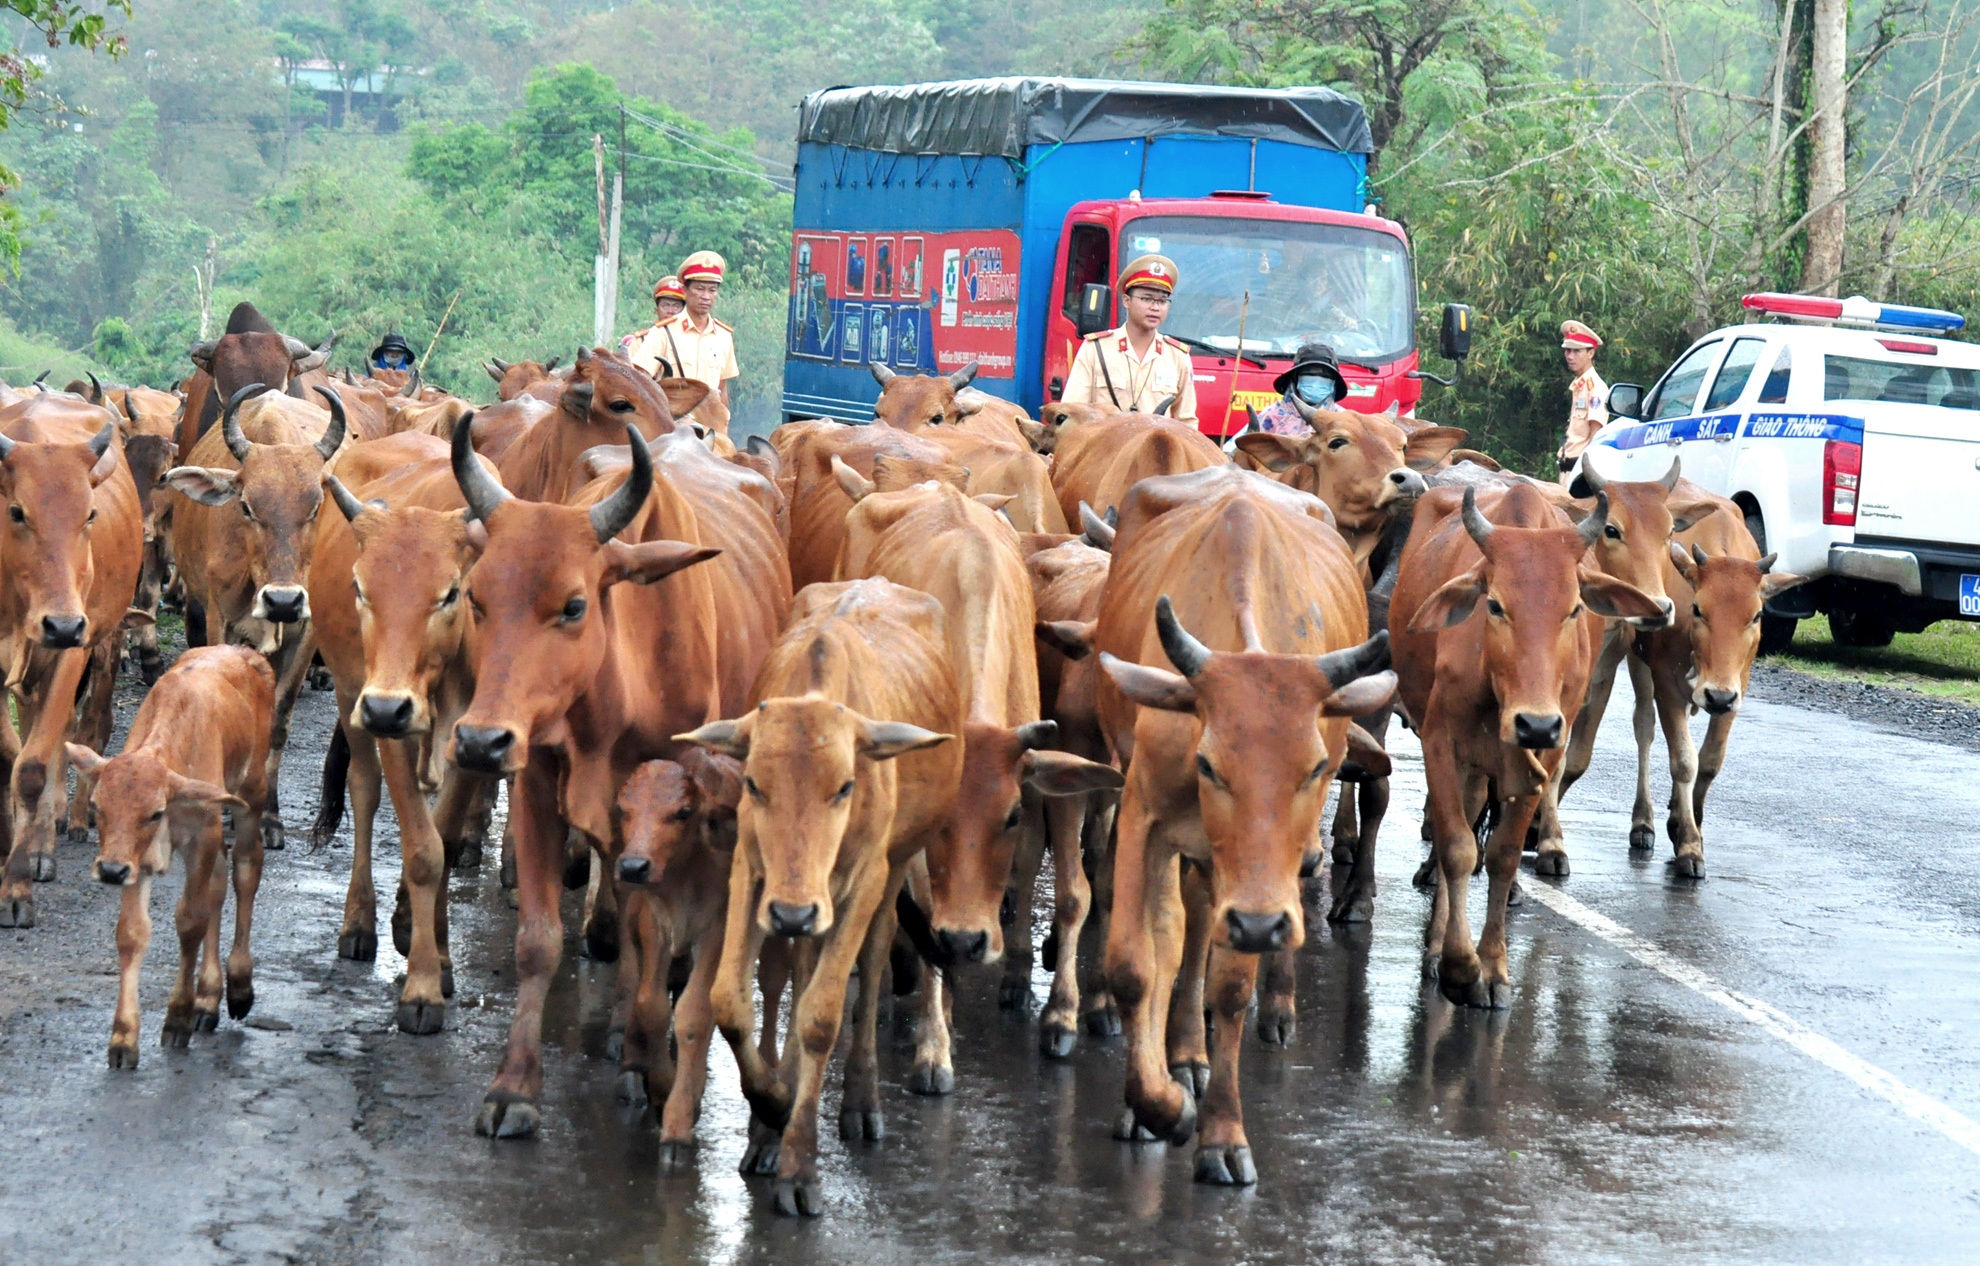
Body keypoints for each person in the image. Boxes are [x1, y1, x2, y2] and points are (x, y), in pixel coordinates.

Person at [1061, 254, 1198, 421]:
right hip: (1106, 445)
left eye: (1162, 301)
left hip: (1155, 446)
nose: (1155, 307)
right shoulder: (1096, 349)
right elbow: (1072, 412)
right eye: (1147, 299)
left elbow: (1186, 421)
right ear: (1126, 300)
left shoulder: (1177, 356)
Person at [637, 251, 738, 407]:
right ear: (685, 290)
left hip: (709, 427)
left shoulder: (723, 336)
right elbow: (640, 381)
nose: (706, 296)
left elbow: (722, 388)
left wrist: (723, 428)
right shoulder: (663, 332)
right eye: (699, 288)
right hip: (673, 426)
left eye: (712, 290)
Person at [1556, 320, 1609, 484]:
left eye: (1577, 351)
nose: (1570, 356)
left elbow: (1596, 437)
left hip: (1579, 473)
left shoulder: (1596, 388)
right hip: (1567, 470)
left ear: (1590, 353)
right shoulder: (1580, 385)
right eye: (1567, 351)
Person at [622, 276, 687, 371]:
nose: (671, 311)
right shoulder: (641, 340)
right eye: (665, 305)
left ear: (683, 310)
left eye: (676, 306)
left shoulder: (690, 338)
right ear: (656, 310)